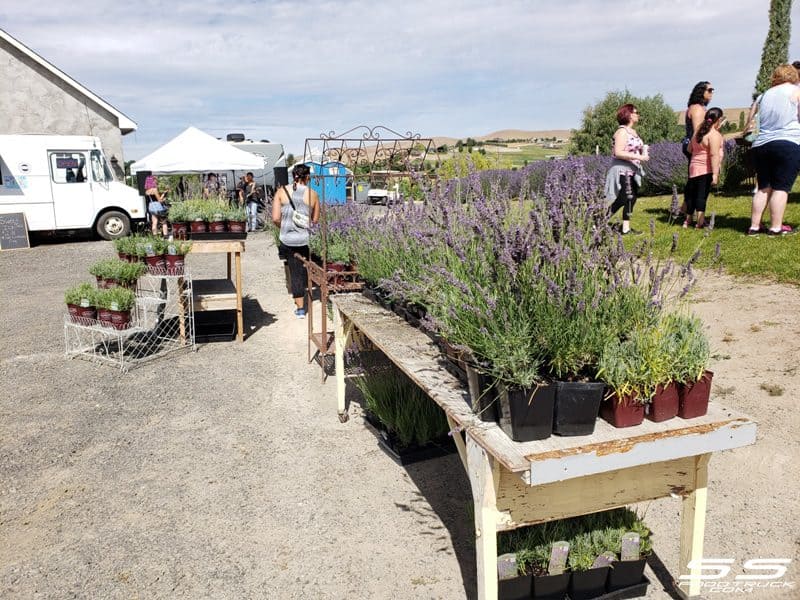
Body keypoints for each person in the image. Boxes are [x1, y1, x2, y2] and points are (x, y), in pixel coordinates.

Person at [747, 64, 800, 237]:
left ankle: (754, 226)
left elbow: (750, 122)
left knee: (763, 187)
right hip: (787, 142)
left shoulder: (763, 96)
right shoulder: (796, 91)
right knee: (781, 187)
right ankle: (776, 227)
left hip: (761, 145)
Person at [271, 164, 320, 318]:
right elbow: (315, 220)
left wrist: (285, 226)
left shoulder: (281, 192)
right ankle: (307, 293)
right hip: (304, 239)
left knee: (294, 271)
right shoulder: (313, 194)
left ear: (293, 176)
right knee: (305, 268)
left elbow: (275, 218)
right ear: (308, 177)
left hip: (287, 239)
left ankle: (300, 309)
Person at [604, 104, 650, 235]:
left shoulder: (633, 132)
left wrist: (643, 151)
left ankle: (626, 228)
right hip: (622, 169)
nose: (638, 114)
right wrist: (639, 156)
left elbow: (632, 148)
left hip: (633, 169)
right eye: (636, 112)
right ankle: (599, 220)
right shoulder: (622, 132)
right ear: (629, 114)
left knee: (632, 198)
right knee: (624, 197)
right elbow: (618, 152)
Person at [684, 107, 725, 229]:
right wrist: (715, 174)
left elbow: (689, 149)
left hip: (693, 168)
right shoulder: (714, 135)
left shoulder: (698, 132)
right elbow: (714, 155)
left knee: (691, 195)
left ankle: (687, 220)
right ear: (718, 120)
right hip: (705, 169)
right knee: (702, 196)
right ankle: (700, 222)